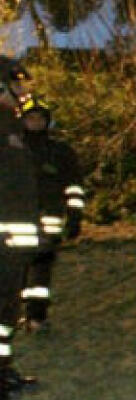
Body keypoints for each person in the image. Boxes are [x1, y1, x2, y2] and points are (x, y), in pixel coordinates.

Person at [19, 96, 84, 333]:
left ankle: (36, 317)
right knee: (17, 271)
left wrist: (75, 216)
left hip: (49, 220)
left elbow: (74, 186)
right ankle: (19, 314)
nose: (35, 122)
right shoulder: (10, 149)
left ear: (48, 121)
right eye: (31, 118)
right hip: (16, 221)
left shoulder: (61, 152)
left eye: (40, 118)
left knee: (41, 271)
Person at [0, 56, 41, 400]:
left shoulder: (12, 126)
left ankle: (2, 368)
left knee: (7, 309)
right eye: (16, 84)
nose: (22, 91)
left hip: (15, 238)